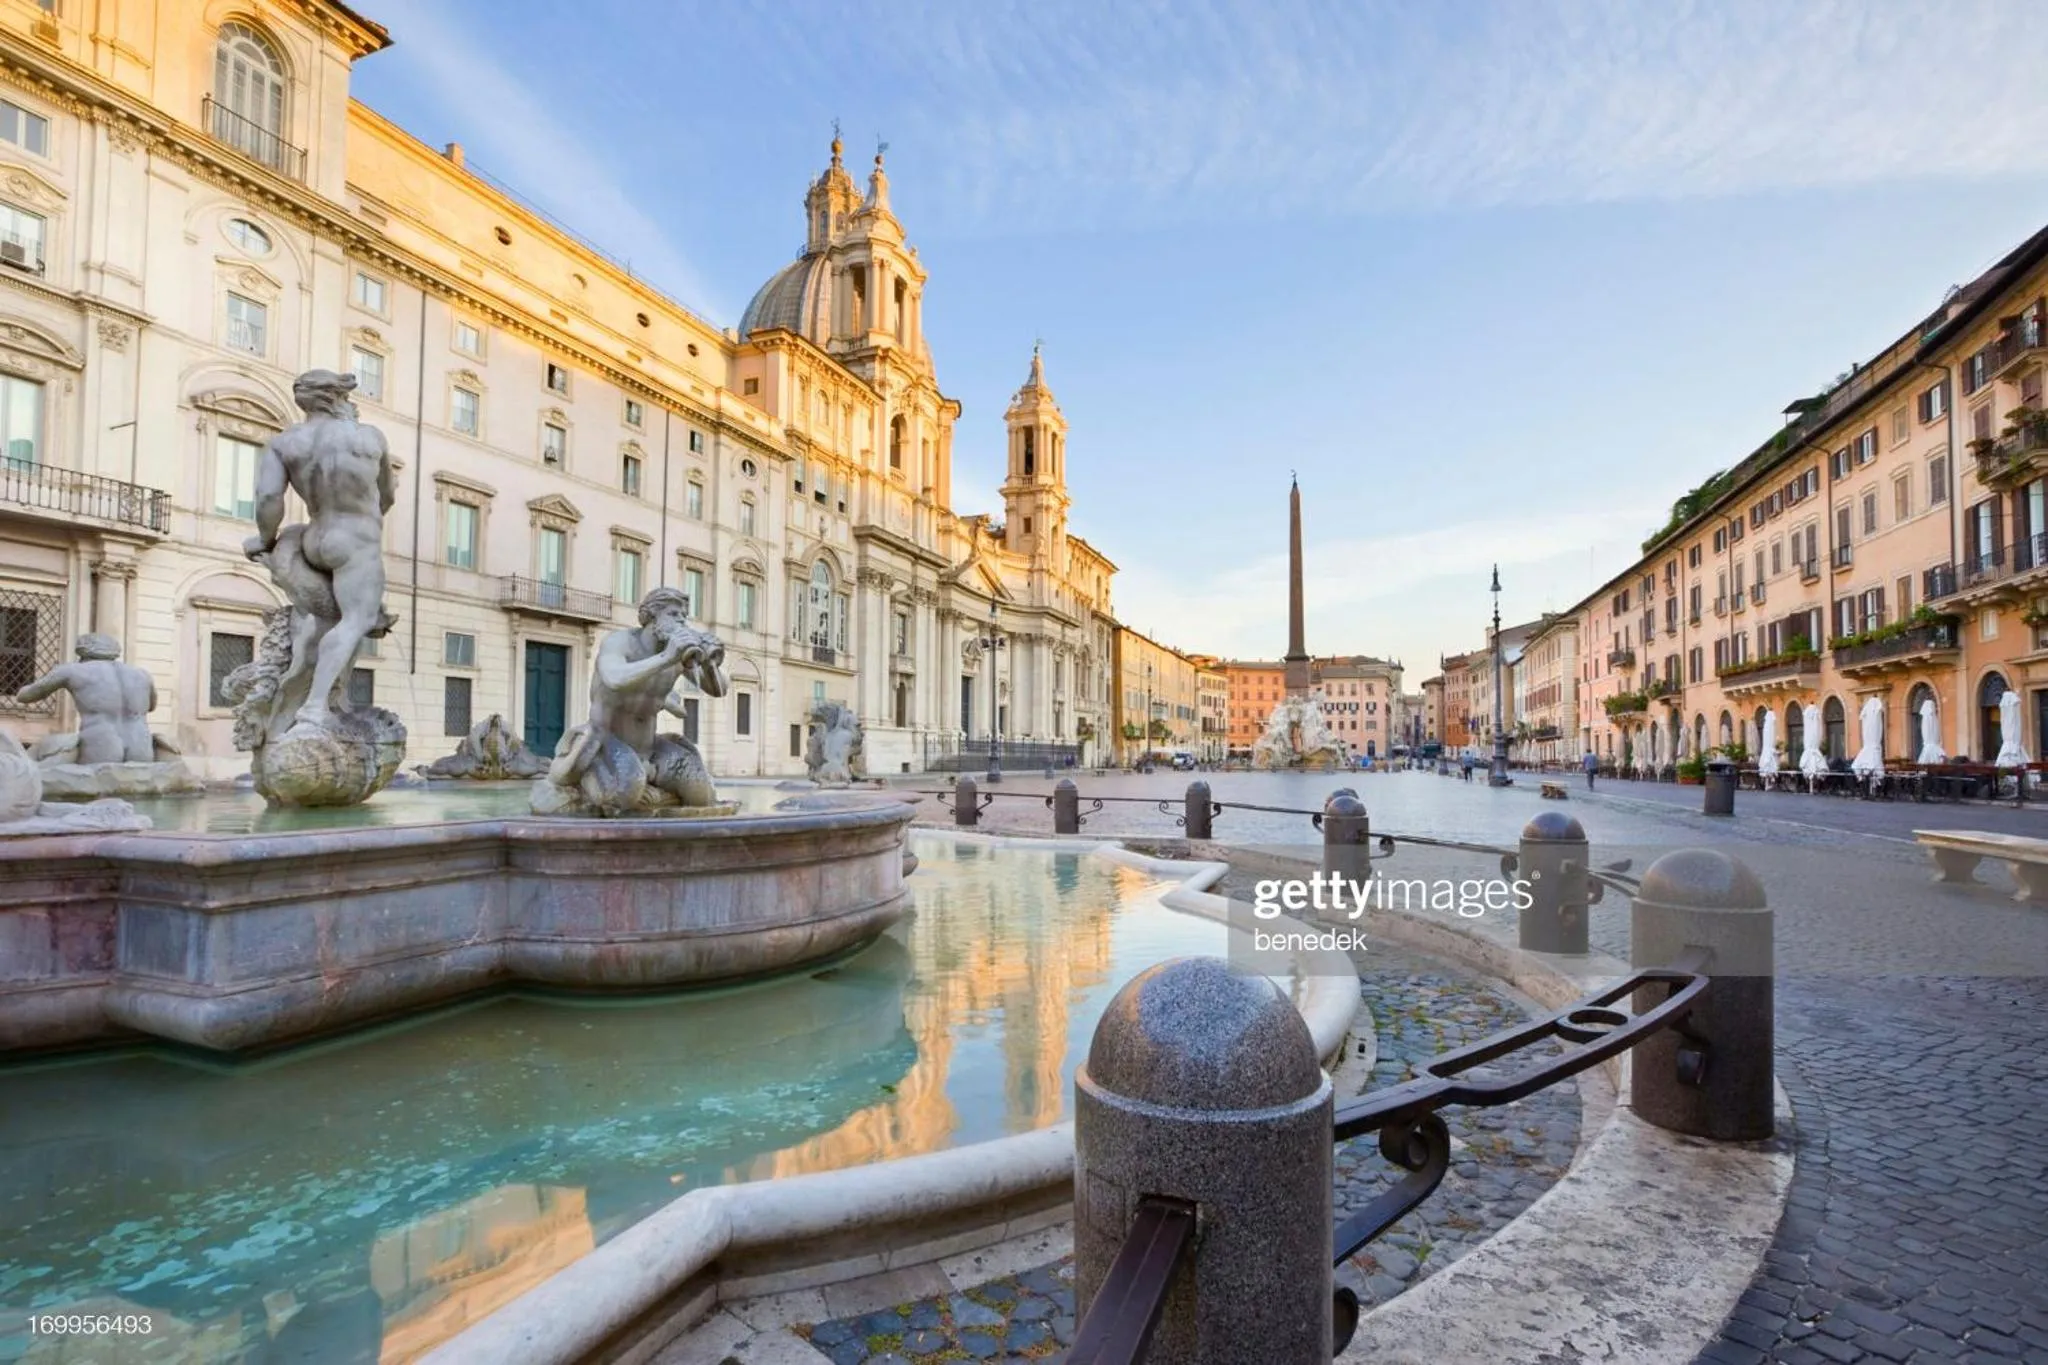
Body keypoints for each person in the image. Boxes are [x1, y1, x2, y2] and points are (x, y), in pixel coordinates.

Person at [242, 370, 395, 734]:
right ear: (339, 397)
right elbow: (387, 495)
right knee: (357, 620)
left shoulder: (284, 443)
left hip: (313, 538)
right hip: (354, 540)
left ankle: (295, 701)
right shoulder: (369, 437)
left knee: (324, 623)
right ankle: (313, 709)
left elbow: (268, 498)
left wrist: (265, 539)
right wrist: (364, 521)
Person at [15, 634, 158, 764]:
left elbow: (25, 696)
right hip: (140, 746)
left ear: (81, 652)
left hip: (102, 745)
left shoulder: (72, 670)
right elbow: (151, 706)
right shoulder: (142, 675)